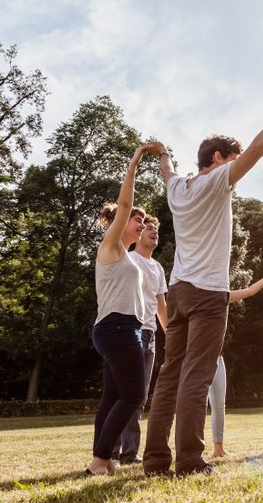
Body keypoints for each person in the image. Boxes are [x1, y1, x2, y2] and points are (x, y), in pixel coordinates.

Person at [143, 95, 263, 478]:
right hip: (208, 293)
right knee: (196, 374)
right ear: (221, 158)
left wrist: (161, 153)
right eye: (232, 158)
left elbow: (167, 170)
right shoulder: (217, 182)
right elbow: (258, 149)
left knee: (170, 372)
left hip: (177, 293)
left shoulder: (178, 189)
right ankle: (189, 460)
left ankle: (155, 459)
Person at [87, 144, 153, 475]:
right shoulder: (110, 244)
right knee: (133, 395)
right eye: (136, 220)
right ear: (119, 223)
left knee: (113, 397)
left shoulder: (126, 256)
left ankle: (104, 458)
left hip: (120, 329)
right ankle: (101, 459)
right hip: (117, 328)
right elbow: (125, 204)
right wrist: (134, 163)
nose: (140, 224)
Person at [112, 216, 169, 465]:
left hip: (150, 335)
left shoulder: (157, 268)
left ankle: (129, 453)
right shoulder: (129, 258)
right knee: (124, 394)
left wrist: (171, 334)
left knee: (141, 396)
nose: (154, 231)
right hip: (130, 331)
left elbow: (161, 305)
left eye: (156, 229)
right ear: (138, 232)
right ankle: (111, 450)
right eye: (148, 227)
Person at [208, 274, 263, 458]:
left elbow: (250, 291)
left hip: (217, 358)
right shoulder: (195, 297)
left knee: (219, 405)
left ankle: (218, 448)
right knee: (197, 403)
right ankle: (191, 448)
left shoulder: (221, 295)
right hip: (197, 359)